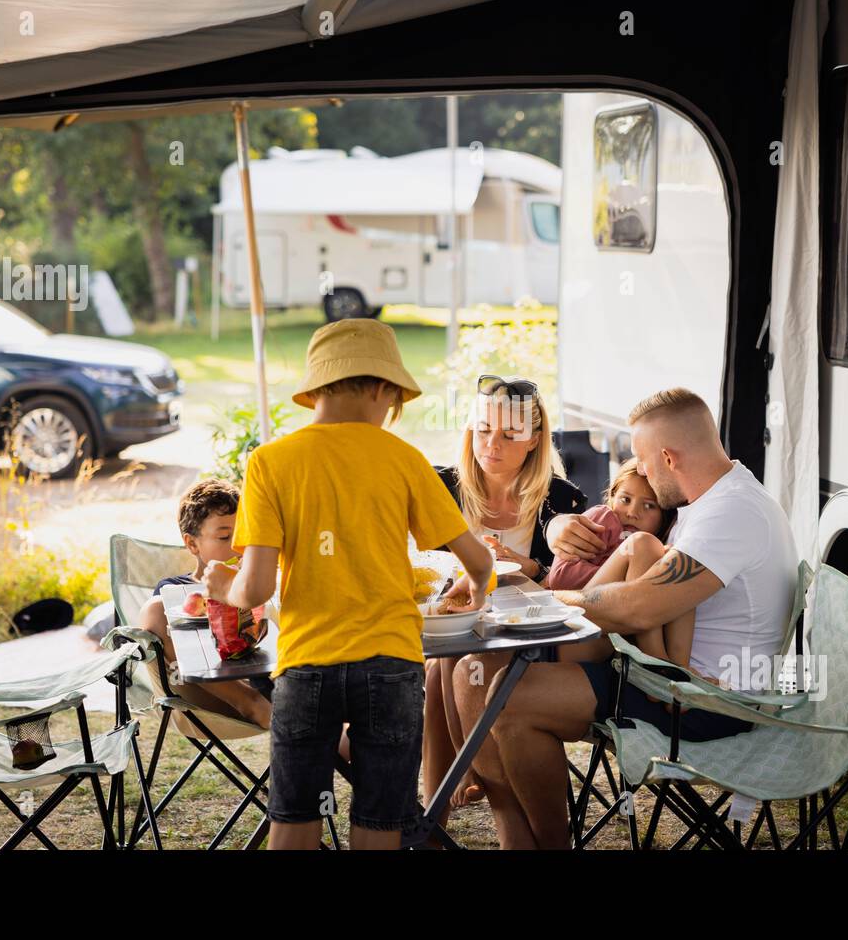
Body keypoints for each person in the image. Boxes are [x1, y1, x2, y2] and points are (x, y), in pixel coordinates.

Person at [450, 387, 798, 849]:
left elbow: (639, 605)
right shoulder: (713, 501)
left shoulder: (732, 512)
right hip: (652, 672)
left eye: (642, 459)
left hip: (703, 702)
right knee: (474, 672)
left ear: (669, 458)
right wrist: (552, 547)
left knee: (510, 700)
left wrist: (552, 600)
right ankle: (514, 831)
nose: (642, 473)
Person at [205, 318, 493, 851]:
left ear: (317, 387)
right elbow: (475, 555)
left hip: (306, 665)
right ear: (384, 388)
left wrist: (223, 585)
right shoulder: (403, 458)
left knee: (293, 821)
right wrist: (479, 585)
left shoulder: (271, 462)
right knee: (381, 822)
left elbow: (258, 588)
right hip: (390, 667)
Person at [424, 375, 586, 812]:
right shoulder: (441, 487)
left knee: (444, 663)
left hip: (527, 634)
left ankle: (447, 790)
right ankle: (447, 791)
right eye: (482, 430)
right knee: (442, 660)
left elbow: (575, 581)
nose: (491, 444)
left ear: (534, 440)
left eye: (509, 434)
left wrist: (526, 563)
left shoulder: (561, 500)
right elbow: (417, 568)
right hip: (453, 623)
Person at [136, 478, 270, 728]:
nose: (239, 546)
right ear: (192, 543)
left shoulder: (257, 585)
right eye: (225, 536)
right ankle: (250, 702)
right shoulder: (174, 591)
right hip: (207, 697)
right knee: (155, 609)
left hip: (272, 686)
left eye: (243, 535)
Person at [545, 457, 684, 669]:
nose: (632, 513)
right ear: (612, 497)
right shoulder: (603, 520)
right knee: (642, 545)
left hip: (611, 637)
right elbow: (560, 577)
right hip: (576, 621)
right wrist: (618, 568)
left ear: (664, 518)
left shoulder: (656, 547)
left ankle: (679, 664)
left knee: (676, 561)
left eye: (649, 506)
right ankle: (654, 660)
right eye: (625, 500)